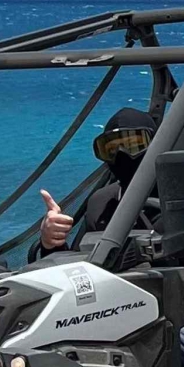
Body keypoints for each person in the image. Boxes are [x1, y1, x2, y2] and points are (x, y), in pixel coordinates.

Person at [34, 107, 159, 258]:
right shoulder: (101, 205)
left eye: (133, 145)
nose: (122, 155)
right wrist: (52, 242)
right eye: (111, 150)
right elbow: (78, 268)